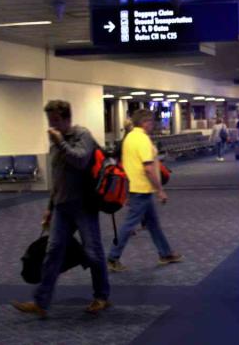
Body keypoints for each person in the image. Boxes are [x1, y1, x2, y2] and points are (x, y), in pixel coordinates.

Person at [12, 100, 111, 317]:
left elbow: (80, 161)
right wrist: (50, 207)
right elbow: (57, 179)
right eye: (50, 121)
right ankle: (41, 302)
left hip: (84, 206)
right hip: (62, 207)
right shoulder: (55, 143)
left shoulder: (81, 135)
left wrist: (60, 143)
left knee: (93, 253)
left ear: (67, 119)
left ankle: (101, 296)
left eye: (56, 120)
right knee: (53, 252)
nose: (53, 125)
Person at [107, 108, 183, 272]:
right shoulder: (142, 140)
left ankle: (165, 253)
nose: (153, 125)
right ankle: (112, 258)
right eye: (151, 122)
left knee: (153, 224)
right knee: (128, 225)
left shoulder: (129, 137)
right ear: (145, 122)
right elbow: (148, 168)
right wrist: (160, 190)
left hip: (136, 187)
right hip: (141, 188)